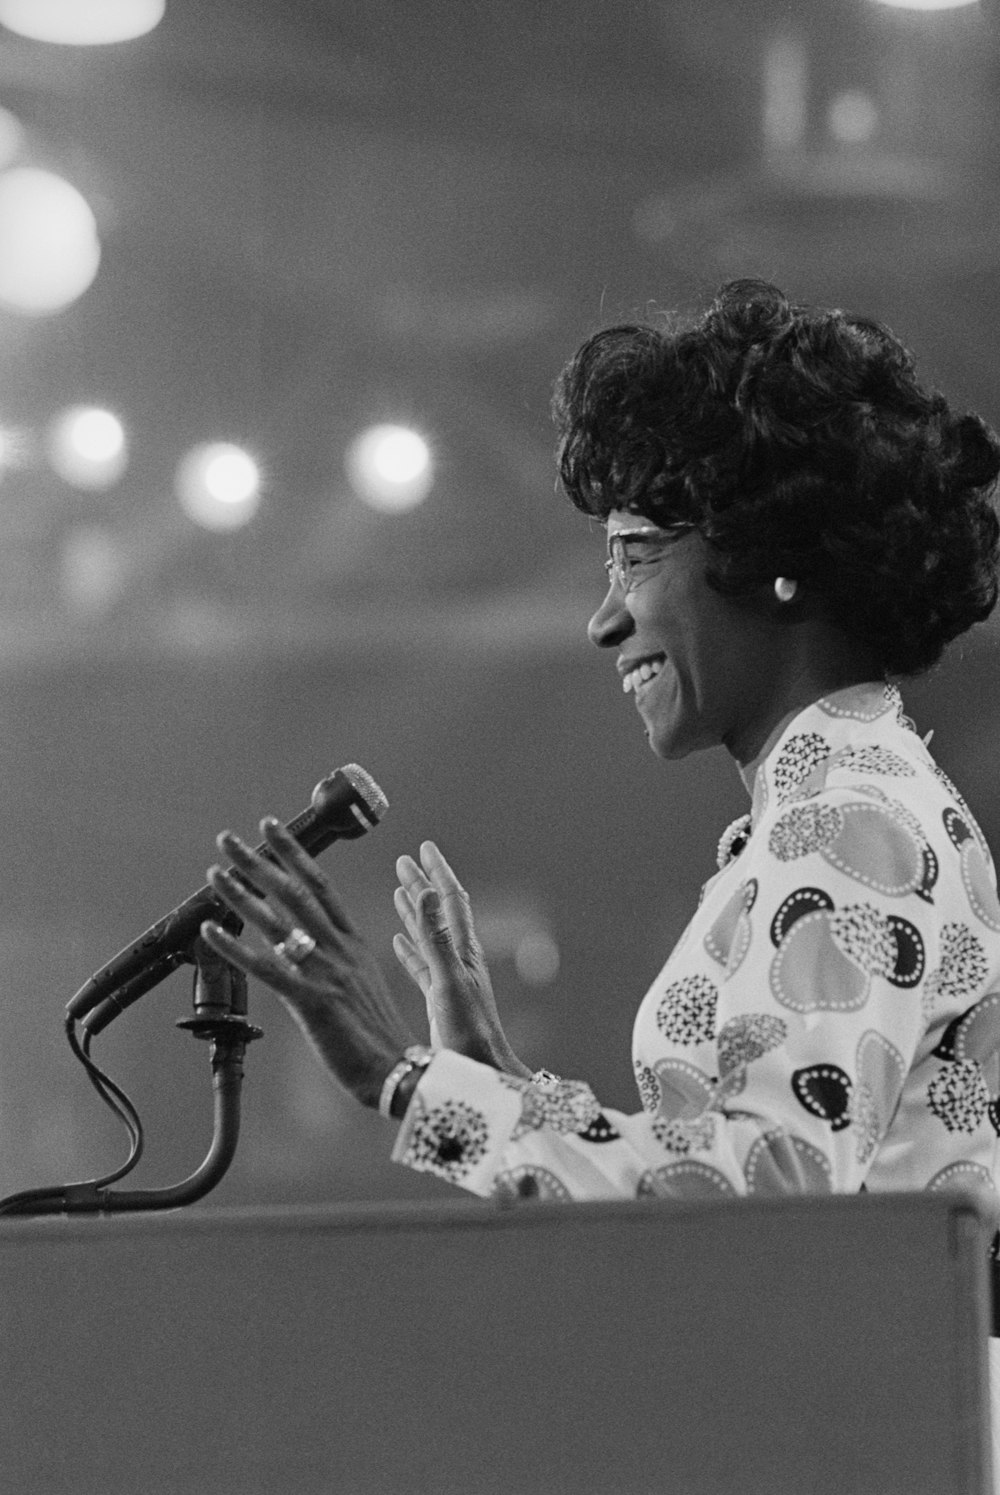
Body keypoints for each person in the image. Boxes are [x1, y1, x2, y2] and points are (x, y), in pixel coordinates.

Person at [200, 278, 1000, 1214]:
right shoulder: (853, 804)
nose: (604, 618)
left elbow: (778, 1198)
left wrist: (404, 1077)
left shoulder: (846, 826)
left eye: (637, 553)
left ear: (775, 558)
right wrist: (490, 1075)